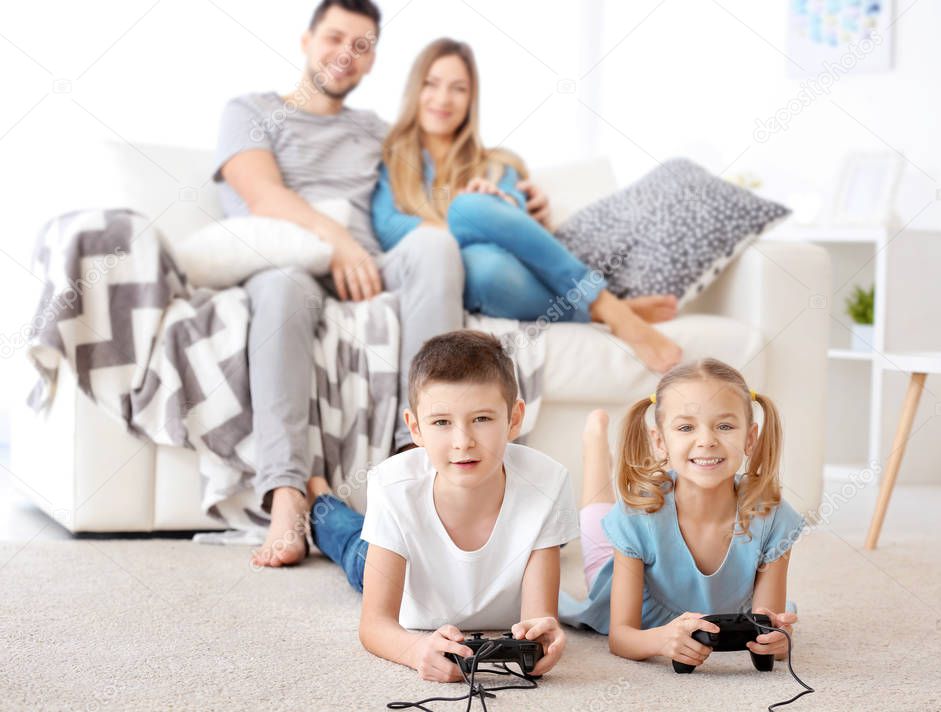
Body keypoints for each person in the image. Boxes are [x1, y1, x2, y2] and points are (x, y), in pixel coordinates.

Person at [213, 1, 552, 567]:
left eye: (362, 45)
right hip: (290, 263)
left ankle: (420, 457)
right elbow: (262, 195)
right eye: (335, 37)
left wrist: (515, 194)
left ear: (373, 62)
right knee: (278, 288)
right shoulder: (249, 110)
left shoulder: (376, 132)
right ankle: (288, 494)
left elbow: (449, 171)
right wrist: (337, 242)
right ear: (306, 39)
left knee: (433, 244)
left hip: (372, 269)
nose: (346, 53)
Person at [372, 38, 683, 374]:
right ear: (415, 89)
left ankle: (604, 304)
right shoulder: (389, 161)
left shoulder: (499, 164)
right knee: (475, 240)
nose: (443, 98)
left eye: (458, 88)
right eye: (431, 84)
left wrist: (494, 204)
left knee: (480, 239)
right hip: (454, 274)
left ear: (471, 100)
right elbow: (389, 229)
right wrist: (464, 221)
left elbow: (517, 224)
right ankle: (604, 308)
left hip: (498, 265)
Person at [306, 330, 577, 680]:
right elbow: (374, 625)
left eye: (482, 419)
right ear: (415, 429)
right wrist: (416, 650)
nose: (462, 442)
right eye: (442, 423)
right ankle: (318, 497)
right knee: (349, 543)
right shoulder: (392, 486)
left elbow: (539, 619)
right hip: (408, 579)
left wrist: (543, 639)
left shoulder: (548, 483)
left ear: (513, 419)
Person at [560, 358, 805, 670]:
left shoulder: (773, 517)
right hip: (628, 559)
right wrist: (660, 640)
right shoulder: (637, 516)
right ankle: (595, 447)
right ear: (660, 441)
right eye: (686, 427)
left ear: (750, 438)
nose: (706, 440)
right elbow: (621, 637)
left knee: (606, 517)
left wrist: (778, 640)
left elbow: (769, 628)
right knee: (596, 527)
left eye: (725, 426)